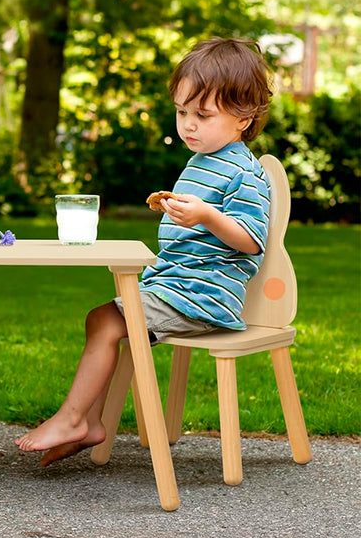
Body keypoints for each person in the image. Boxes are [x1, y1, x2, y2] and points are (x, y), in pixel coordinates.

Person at [15, 37, 274, 464]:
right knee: (107, 321)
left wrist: (208, 215)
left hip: (203, 296)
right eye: (182, 112)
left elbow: (251, 240)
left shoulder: (244, 172)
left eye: (202, 115)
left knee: (106, 320)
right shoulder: (205, 159)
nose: (188, 125)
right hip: (179, 285)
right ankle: (88, 423)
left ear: (243, 119)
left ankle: (73, 419)